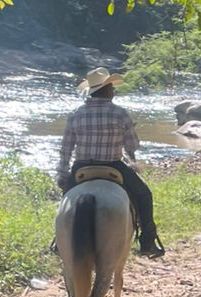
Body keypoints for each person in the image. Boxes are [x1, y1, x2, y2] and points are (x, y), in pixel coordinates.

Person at [56, 67, 165, 258]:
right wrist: (130, 153)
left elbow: (66, 149)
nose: (113, 91)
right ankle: (147, 242)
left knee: (66, 199)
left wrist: (63, 174)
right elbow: (132, 144)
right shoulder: (120, 113)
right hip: (113, 166)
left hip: (81, 167)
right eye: (111, 88)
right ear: (106, 90)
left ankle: (58, 242)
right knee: (144, 195)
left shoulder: (76, 114)